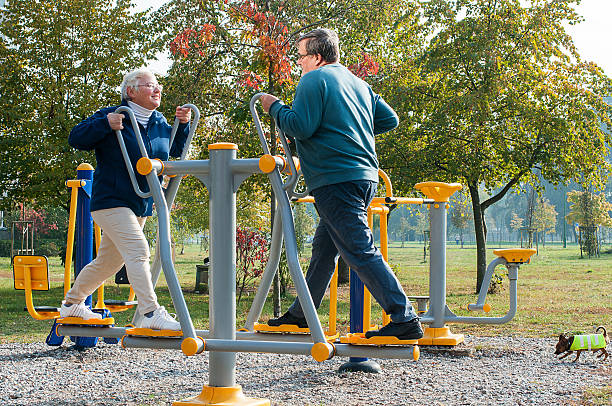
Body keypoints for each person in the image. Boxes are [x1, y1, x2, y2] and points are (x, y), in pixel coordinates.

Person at [260, 28, 423, 340]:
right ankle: (301, 315)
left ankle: (404, 318)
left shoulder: (313, 80)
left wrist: (274, 107)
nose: (299, 64)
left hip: (335, 178)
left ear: (317, 57)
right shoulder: (358, 83)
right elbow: (389, 119)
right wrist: (347, 124)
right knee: (324, 249)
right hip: (364, 176)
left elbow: (300, 127)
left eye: (301, 57)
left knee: (360, 250)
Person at [59, 68, 191, 331]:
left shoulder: (158, 122)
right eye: (149, 85)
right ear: (130, 91)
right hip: (111, 200)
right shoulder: (114, 115)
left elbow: (174, 149)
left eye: (158, 86)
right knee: (138, 251)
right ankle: (150, 312)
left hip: (140, 202)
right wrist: (104, 124)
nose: (157, 90)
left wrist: (183, 124)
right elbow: (77, 138)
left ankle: (72, 304)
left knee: (109, 262)